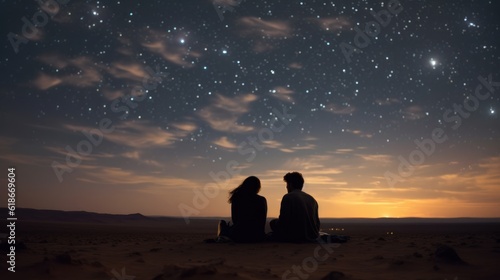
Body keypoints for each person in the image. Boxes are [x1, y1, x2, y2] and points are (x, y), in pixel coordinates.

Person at [270, 172, 320, 243]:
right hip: (312, 236)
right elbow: (317, 223)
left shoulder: (288, 197)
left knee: (273, 222)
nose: (286, 187)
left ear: (290, 184)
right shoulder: (312, 199)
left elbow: (284, 221)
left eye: (287, 184)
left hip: (294, 236)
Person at [219, 176, 267, 242]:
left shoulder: (237, 198)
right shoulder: (261, 200)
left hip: (239, 235)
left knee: (223, 224)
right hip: (257, 236)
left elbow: (235, 218)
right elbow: (262, 220)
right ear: (258, 187)